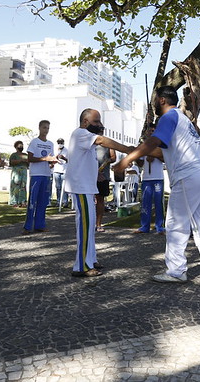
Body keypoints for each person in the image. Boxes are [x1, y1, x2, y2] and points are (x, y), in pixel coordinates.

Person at [114, 86, 200, 284]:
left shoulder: (168, 117)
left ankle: (176, 271)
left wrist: (126, 161)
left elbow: (153, 142)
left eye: (154, 100)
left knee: (176, 224)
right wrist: (133, 150)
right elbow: (160, 152)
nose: (153, 104)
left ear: (161, 100)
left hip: (189, 175)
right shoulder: (183, 120)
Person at [63, 108, 134, 278]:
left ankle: (90, 260)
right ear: (85, 122)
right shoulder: (80, 133)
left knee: (90, 228)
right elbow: (102, 140)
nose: (100, 124)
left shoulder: (85, 138)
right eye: (96, 121)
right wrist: (127, 149)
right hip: (81, 188)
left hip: (87, 187)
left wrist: (96, 173)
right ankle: (81, 266)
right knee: (85, 228)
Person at [23, 120, 56, 233]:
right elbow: (30, 159)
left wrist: (52, 162)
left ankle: (40, 224)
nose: (45, 130)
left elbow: (50, 159)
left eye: (47, 128)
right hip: (36, 175)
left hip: (46, 174)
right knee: (32, 201)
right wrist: (44, 159)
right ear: (39, 128)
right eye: (44, 128)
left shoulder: (50, 144)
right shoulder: (34, 142)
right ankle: (27, 226)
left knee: (43, 201)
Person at [134, 123, 165, 234]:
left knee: (158, 203)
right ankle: (144, 226)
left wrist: (154, 155)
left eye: (153, 131)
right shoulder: (144, 145)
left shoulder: (161, 145)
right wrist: (137, 156)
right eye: (150, 131)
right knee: (145, 203)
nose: (151, 132)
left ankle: (160, 227)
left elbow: (164, 159)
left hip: (158, 178)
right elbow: (140, 163)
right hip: (146, 178)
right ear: (147, 132)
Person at [94, 132, 115, 232]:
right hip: (90, 175)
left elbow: (113, 157)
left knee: (100, 200)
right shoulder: (90, 142)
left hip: (103, 176)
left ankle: (98, 224)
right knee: (89, 200)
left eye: (102, 129)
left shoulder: (108, 143)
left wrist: (106, 161)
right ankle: (89, 223)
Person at [9, 141, 29, 207]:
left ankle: (23, 201)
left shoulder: (25, 155)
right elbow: (11, 162)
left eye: (22, 145)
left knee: (23, 186)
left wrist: (27, 161)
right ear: (16, 146)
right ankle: (14, 201)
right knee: (15, 186)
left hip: (24, 171)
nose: (21, 146)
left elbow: (29, 162)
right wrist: (20, 160)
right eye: (19, 145)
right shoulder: (13, 155)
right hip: (16, 171)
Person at [53, 138, 69, 209]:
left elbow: (69, 160)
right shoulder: (55, 150)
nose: (60, 144)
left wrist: (64, 158)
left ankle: (65, 202)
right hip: (56, 170)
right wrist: (55, 158)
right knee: (58, 187)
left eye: (61, 142)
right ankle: (58, 201)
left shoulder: (67, 151)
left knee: (64, 187)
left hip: (64, 170)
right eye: (59, 142)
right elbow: (52, 159)